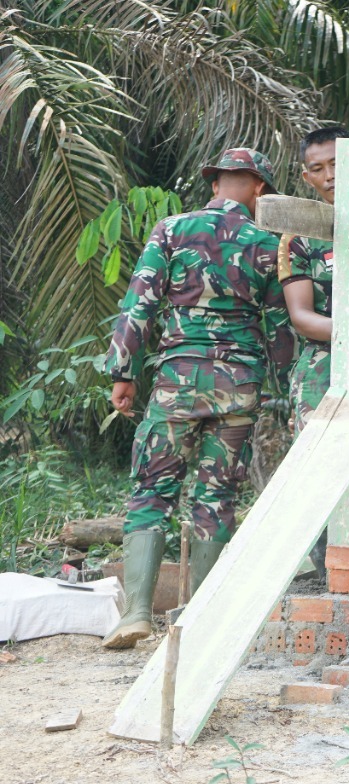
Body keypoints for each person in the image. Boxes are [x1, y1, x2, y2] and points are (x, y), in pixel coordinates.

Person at [102, 148, 294, 649]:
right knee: (217, 498)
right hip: (239, 387)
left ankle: (136, 615)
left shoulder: (170, 229)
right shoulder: (268, 243)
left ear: (215, 185)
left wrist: (122, 372)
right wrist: (287, 384)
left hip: (176, 384)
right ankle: (201, 622)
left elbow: (139, 302)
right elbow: (278, 326)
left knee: (151, 493)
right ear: (259, 189)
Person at [278, 125, 349, 581]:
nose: (328, 176)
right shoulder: (300, 236)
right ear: (307, 179)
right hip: (324, 368)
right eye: (317, 169)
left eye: (337, 166)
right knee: (319, 467)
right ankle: (327, 572)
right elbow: (302, 316)